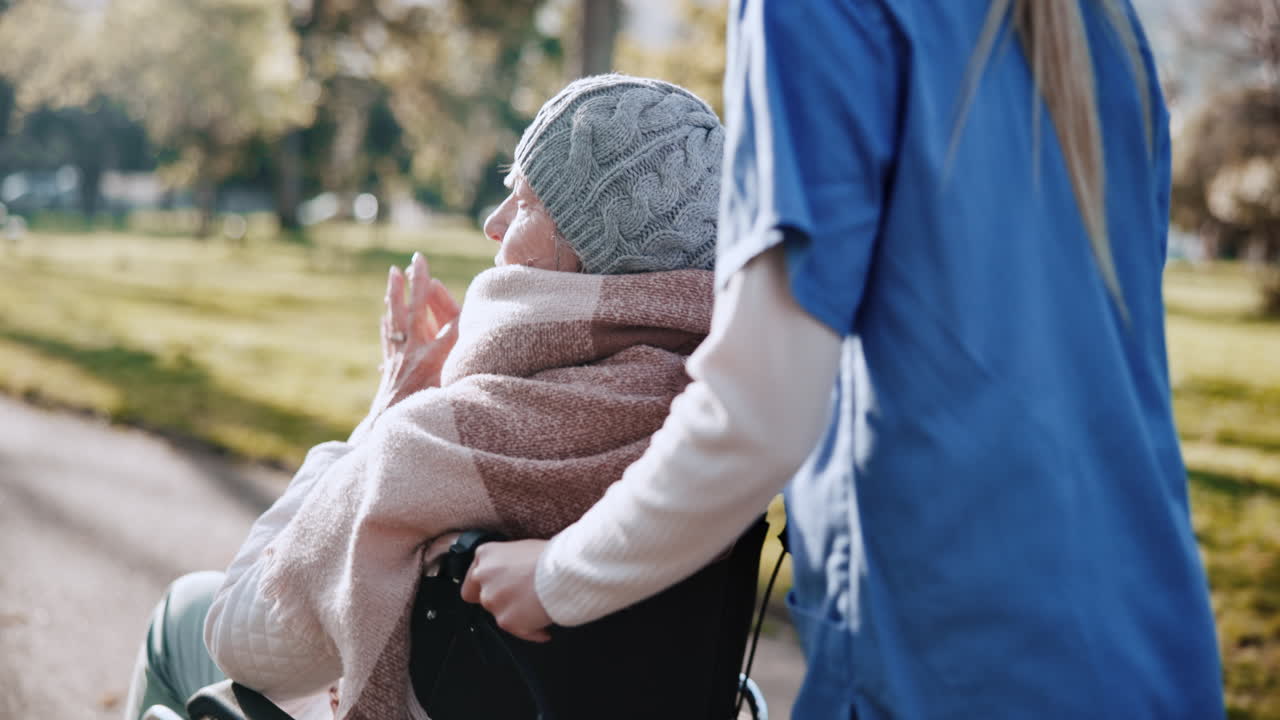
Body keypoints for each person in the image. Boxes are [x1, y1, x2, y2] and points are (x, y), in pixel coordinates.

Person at [463, 1, 1226, 718]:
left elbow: (758, 414)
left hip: (947, 656)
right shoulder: (1105, 24)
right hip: (1154, 643)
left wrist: (558, 578)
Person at [122, 74, 725, 720]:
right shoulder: (711, 432)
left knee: (183, 614)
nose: (494, 225)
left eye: (525, 205)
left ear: (590, 255)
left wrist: (388, 407)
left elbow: (240, 636)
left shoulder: (453, 440)